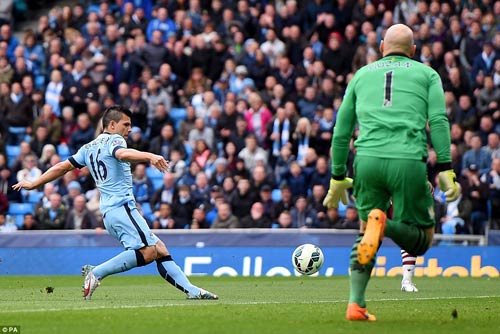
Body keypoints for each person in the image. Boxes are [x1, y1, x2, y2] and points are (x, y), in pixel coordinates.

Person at [322, 24, 460, 321]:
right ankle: (383, 223)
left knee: (364, 235)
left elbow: (341, 131)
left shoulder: (361, 75)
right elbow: (438, 121)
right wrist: (446, 168)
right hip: (407, 160)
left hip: (367, 161)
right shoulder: (427, 75)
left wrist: (336, 177)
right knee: (421, 240)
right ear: (413, 50)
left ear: (382, 46)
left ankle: (356, 304)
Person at [13, 105, 217, 301]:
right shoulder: (115, 141)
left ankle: (191, 291)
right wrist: (149, 156)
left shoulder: (87, 148)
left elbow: (62, 167)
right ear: (111, 125)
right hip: (122, 208)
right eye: (125, 125)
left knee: (160, 248)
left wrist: (34, 183)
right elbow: (122, 154)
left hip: (111, 212)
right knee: (149, 251)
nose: (129, 129)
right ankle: (97, 272)